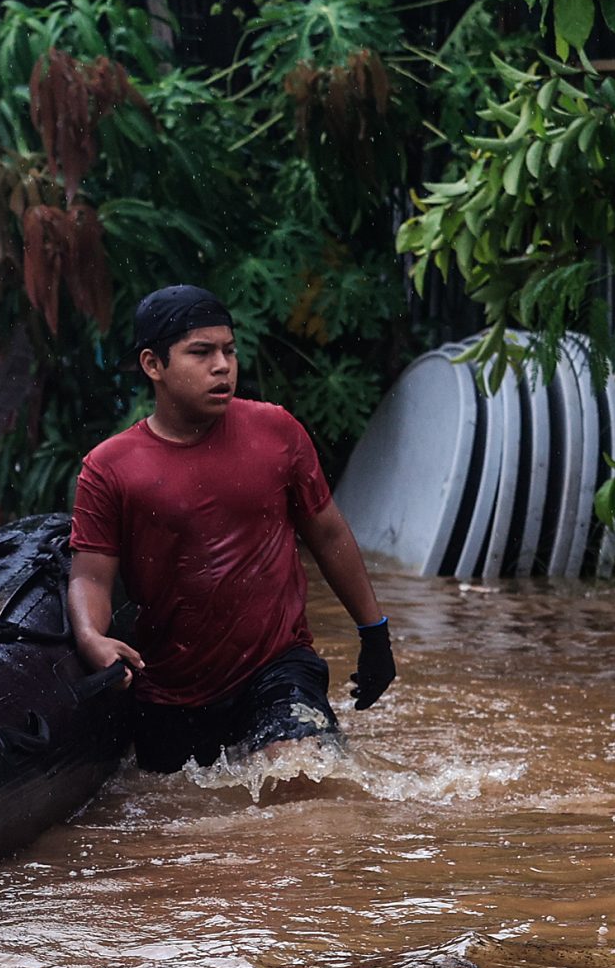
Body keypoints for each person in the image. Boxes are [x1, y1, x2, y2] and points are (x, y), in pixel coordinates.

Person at [70, 284, 397, 772]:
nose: (222, 366)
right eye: (201, 353)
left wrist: (375, 634)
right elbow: (91, 575)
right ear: (152, 365)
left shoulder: (276, 431)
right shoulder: (110, 467)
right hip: (171, 690)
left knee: (299, 772)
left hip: (278, 665)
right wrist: (91, 637)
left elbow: (328, 534)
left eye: (229, 350)